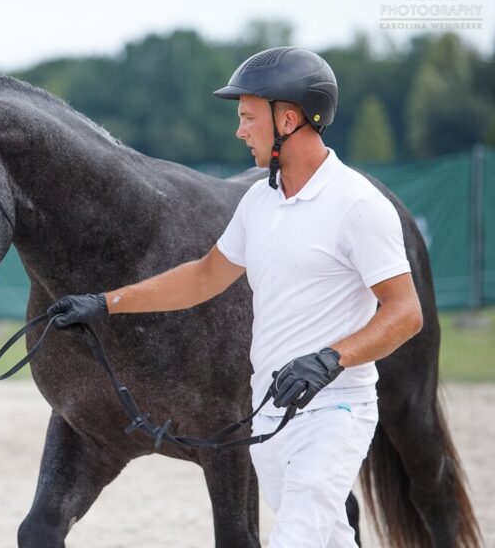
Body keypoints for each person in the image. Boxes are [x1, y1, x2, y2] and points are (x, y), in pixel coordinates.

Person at [47, 47, 424, 547]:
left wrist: (331, 359)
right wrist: (105, 303)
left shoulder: (358, 205)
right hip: (268, 414)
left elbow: (405, 312)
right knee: (330, 537)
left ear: (288, 118)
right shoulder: (259, 201)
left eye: (248, 118)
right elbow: (204, 276)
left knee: (296, 537)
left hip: (334, 411)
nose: (240, 131)